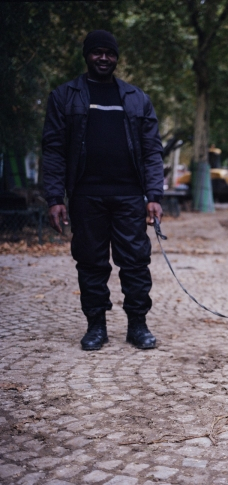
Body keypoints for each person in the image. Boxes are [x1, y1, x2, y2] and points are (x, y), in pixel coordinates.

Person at [42, 30, 164, 351]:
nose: (104, 58)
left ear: (116, 57)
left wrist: (154, 196)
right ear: (87, 55)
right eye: (97, 52)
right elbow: (53, 150)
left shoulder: (137, 99)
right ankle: (96, 326)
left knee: (136, 263)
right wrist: (55, 198)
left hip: (129, 196)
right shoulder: (64, 96)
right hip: (85, 196)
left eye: (109, 53)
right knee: (91, 263)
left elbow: (152, 151)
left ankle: (137, 326)